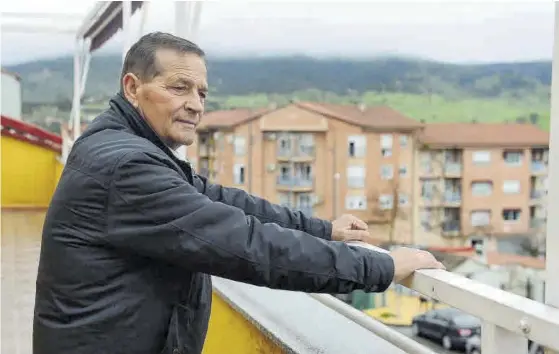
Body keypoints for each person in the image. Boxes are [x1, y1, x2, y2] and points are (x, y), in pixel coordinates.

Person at [33, 32, 444, 354]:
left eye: (202, 92)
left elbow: (219, 201)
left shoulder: (122, 145)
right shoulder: (127, 167)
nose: (196, 104)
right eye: (180, 88)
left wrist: (323, 229)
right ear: (132, 87)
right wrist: (382, 268)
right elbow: (247, 245)